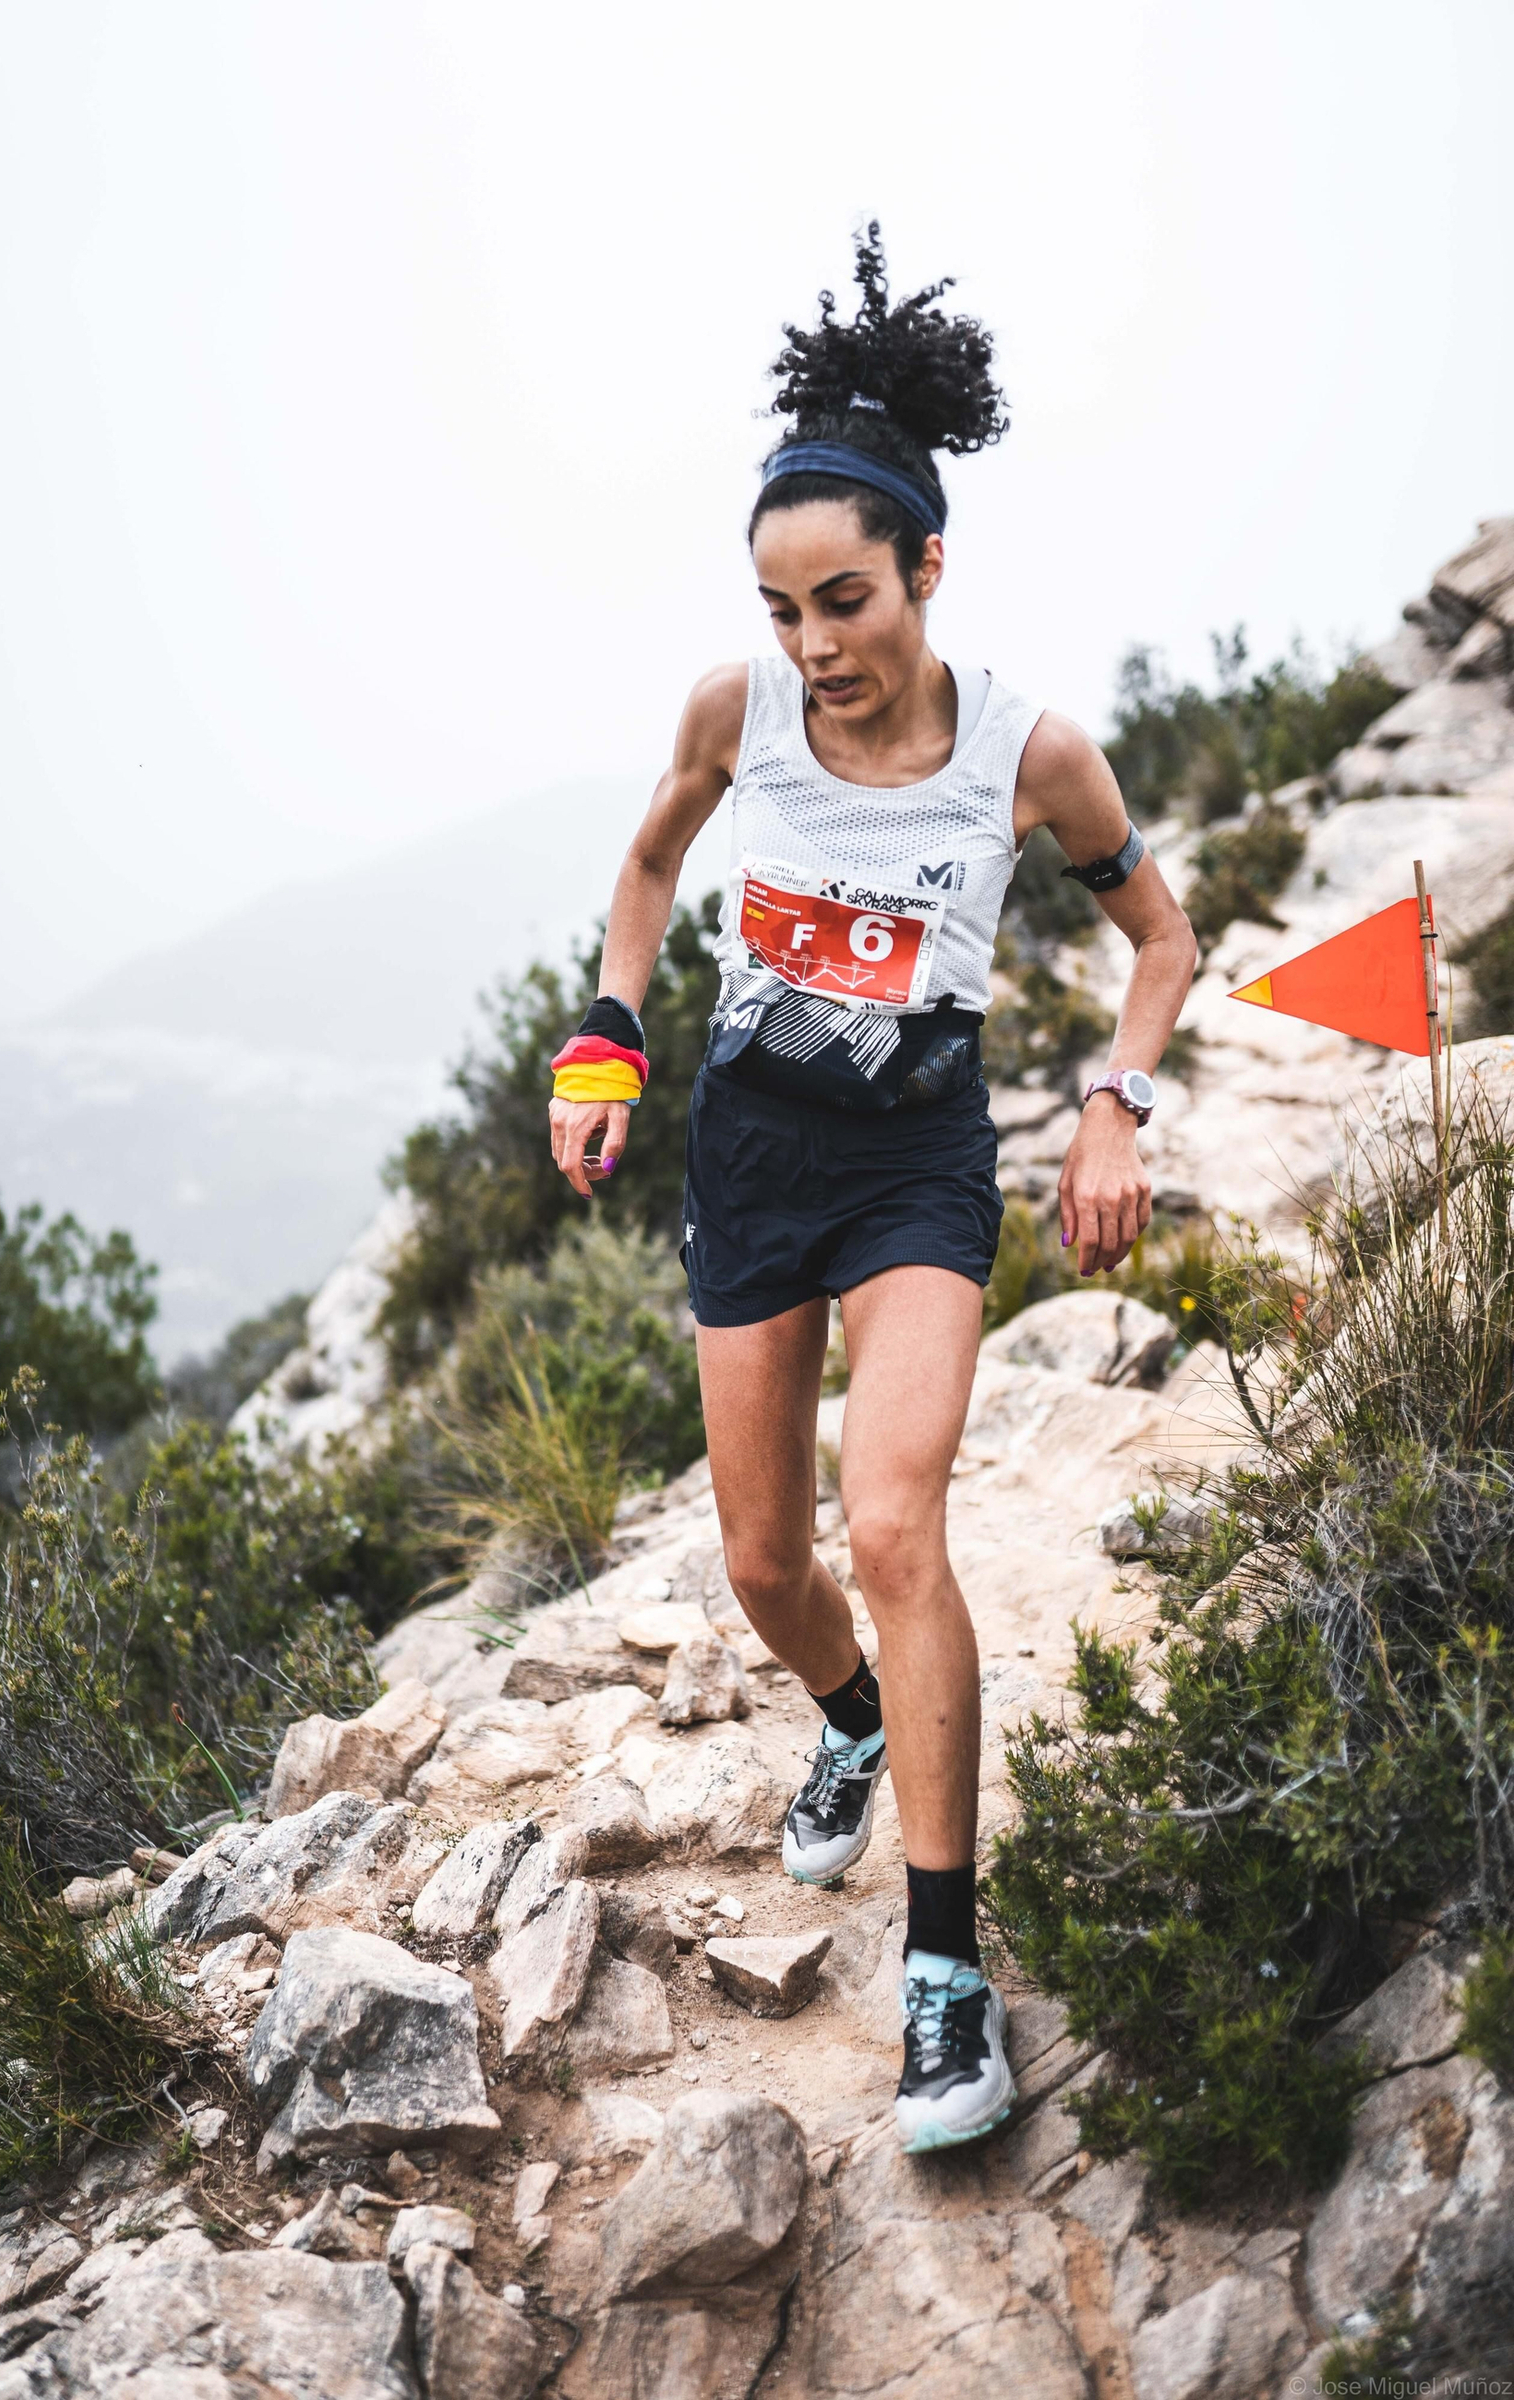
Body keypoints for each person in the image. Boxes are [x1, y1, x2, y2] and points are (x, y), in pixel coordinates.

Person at [547, 227, 1196, 2152]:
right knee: (766, 1566)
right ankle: (844, 1714)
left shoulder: (1028, 755)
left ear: (926, 565)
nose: (816, 646)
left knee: (890, 1522)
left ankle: (941, 1975)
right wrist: (606, 1034)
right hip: (749, 1146)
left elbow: (1159, 943)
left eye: (846, 598)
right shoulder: (731, 714)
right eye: (782, 606)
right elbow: (653, 873)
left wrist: (1111, 1107)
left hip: (919, 1159)